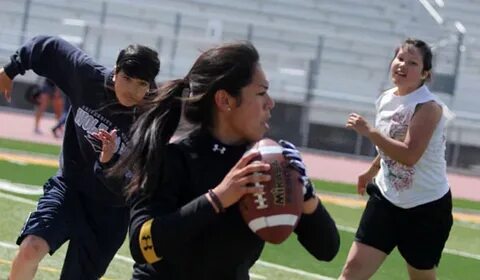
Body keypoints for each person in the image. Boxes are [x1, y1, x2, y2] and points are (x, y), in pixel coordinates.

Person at [110, 41, 340, 279]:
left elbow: (327, 249)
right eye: (261, 93)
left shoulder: (265, 167)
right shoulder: (173, 158)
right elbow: (142, 245)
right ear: (225, 101)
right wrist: (219, 198)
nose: (270, 103)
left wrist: (305, 192)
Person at [0, 35, 160, 279]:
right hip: (70, 187)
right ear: (116, 72)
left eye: (141, 84)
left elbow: (136, 185)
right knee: (31, 248)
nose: (131, 90)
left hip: (111, 211)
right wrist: (11, 70)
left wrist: (109, 163)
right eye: (127, 79)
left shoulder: (153, 117)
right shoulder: (88, 78)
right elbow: (48, 47)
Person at [339, 38, 454, 280]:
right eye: (400, 58)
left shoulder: (429, 107)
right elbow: (388, 146)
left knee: (420, 277)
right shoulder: (386, 98)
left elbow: (410, 155)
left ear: (425, 74)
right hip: (386, 198)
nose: (402, 65)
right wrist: (371, 171)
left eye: (412, 62)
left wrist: (369, 131)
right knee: (352, 271)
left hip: (426, 206)